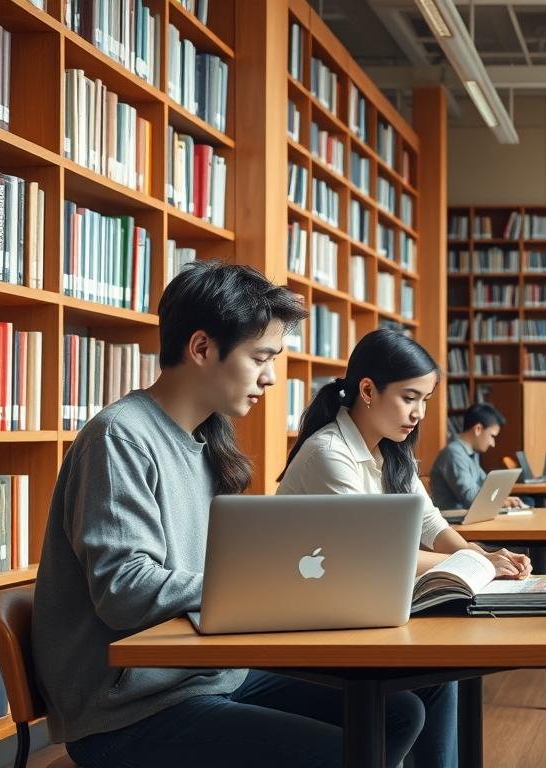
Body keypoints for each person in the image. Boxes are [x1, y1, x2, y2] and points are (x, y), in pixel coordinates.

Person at [32, 262, 426, 767]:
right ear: (201, 348)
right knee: (346, 751)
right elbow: (124, 592)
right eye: (261, 357)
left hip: (209, 676)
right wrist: (252, 581)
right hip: (130, 710)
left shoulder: (207, 439)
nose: (271, 376)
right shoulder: (121, 438)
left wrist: (274, 581)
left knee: (399, 713)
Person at [277, 329, 530, 768]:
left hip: (354, 607)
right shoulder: (329, 454)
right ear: (368, 391)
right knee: (424, 687)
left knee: (441, 678)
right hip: (308, 622)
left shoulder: (391, 450)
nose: (419, 413)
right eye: (410, 397)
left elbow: (430, 522)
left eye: (426, 400)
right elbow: (375, 554)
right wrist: (472, 561)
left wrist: (480, 555)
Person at [430, 403, 524, 510]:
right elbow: (471, 499)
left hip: (467, 516)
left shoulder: (472, 453)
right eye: (492, 436)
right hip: (452, 520)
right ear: (478, 429)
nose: (492, 444)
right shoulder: (453, 453)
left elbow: (486, 485)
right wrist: (503, 503)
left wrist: (506, 499)